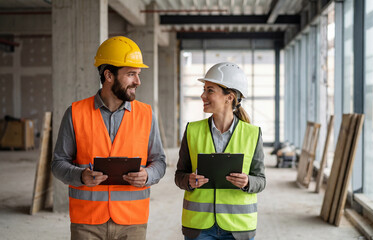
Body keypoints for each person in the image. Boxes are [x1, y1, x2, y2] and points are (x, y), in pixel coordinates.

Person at [51, 36, 166, 240]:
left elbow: (159, 162)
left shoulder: (147, 114)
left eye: (138, 74)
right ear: (108, 75)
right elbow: (58, 163)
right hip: (87, 221)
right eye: (131, 74)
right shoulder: (75, 113)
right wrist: (81, 176)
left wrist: (148, 175)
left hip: (132, 222)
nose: (137, 81)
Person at [175, 62, 266, 240]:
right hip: (199, 227)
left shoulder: (252, 134)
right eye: (204, 89)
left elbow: (261, 180)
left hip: (238, 229)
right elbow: (179, 175)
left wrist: (247, 182)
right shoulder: (192, 130)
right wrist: (189, 180)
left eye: (210, 90)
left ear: (229, 97)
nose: (203, 95)